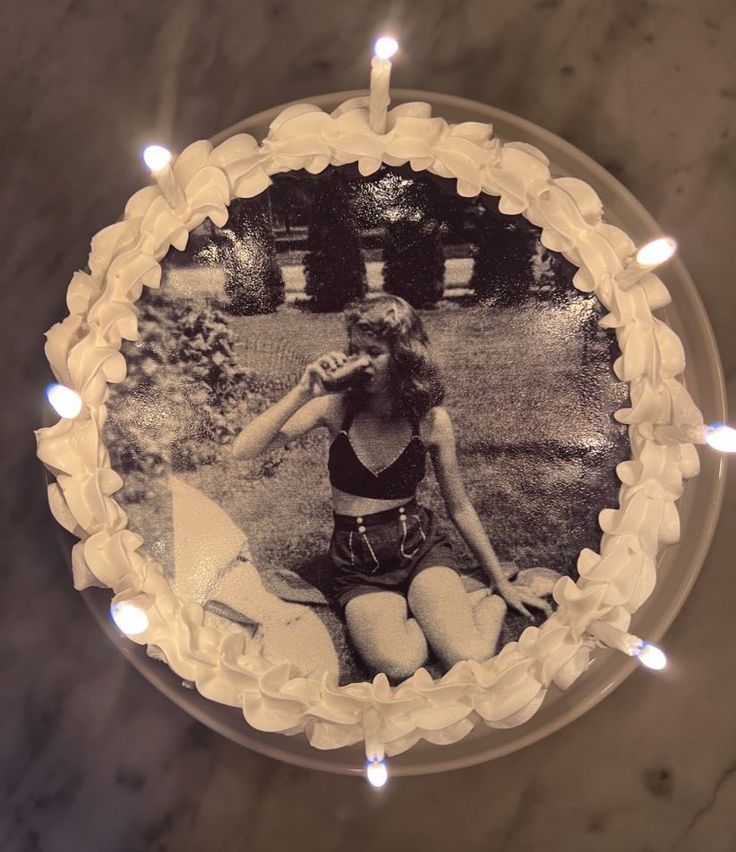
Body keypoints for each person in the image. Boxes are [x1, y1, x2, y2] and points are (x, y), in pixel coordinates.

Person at [233, 295, 551, 681]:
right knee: (399, 662)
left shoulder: (431, 421)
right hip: (358, 565)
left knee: (469, 657)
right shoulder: (335, 408)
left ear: (403, 355)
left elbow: (460, 506)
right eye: (355, 350)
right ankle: (442, 608)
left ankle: (490, 593)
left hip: (418, 550)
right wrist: (304, 391)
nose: (361, 361)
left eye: (375, 352)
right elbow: (244, 450)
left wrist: (500, 579)